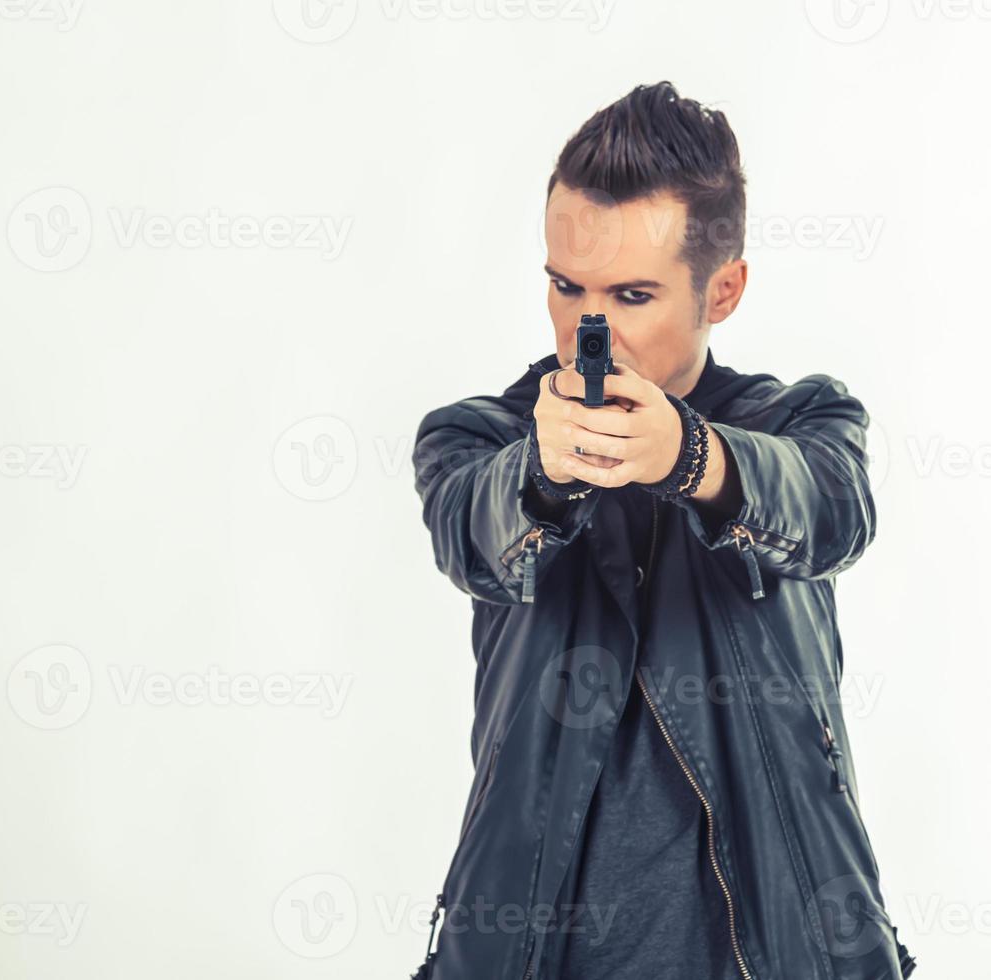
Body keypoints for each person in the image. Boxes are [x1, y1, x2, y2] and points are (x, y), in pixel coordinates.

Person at [411, 80, 915, 980]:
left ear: (723, 291)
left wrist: (694, 460)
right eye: (567, 287)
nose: (589, 329)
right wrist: (543, 472)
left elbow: (832, 507)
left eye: (633, 294)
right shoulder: (481, 437)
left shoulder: (800, 421)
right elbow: (471, 531)